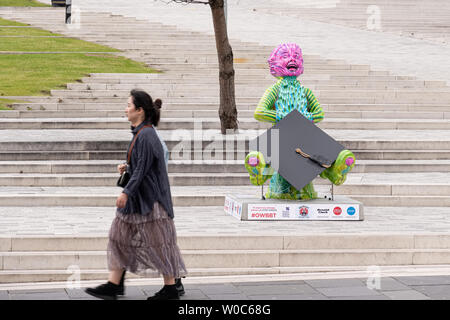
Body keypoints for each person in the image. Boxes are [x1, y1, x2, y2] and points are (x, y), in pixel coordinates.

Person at [85, 89, 187, 300]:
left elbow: (142, 169)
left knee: (160, 243)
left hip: (151, 202)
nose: (126, 109)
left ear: (139, 110)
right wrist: (127, 168)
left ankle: (170, 288)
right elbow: (139, 166)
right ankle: (114, 284)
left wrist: (126, 192)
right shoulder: (140, 133)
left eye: (129, 105)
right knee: (118, 238)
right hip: (136, 202)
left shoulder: (148, 134)